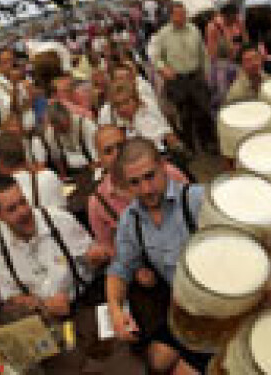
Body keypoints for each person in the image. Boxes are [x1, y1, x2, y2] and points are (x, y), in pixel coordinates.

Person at [106, 138, 206, 374]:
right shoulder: (131, 220)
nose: (146, 190)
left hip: (217, 310)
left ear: (163, 166)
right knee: (155, 361)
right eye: (135, 183)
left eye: (150, 176)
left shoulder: (197, 199)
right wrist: (115, 310)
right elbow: (120, 269)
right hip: (180, 309)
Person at [0, 175, 112, 318]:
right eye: (12, 209)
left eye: (23, 202)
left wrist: (96, 257)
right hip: (42, 316)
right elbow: (12, 297)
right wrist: (43, 306)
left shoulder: (59, 219)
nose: (23, 212)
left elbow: (91, 257)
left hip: (84, 302)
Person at [150, 2, 216, 153]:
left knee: (203, 111)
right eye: (178, 14)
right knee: (184, 116)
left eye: (184, 13)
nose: (182, 16)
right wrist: (162, 68)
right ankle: (190, 147)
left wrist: (207, 73)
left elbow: (203, 53)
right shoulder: (163, 34)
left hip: (195, 77)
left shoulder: (193, 30)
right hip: (177, 80)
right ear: (171, 15)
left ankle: (207, 143)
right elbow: (155, 57)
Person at [0, 132, 66, 210]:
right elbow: (64, 203)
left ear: (0, 161)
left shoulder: (0, 195)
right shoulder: (48, 174)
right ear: (24, 154)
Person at [40, 102, 98, 178]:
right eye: (58, 128)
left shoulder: (86, 125)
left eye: (63, 126)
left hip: (91, 167)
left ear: (68, 115)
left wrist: (95, 175)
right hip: (70, 171)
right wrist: (64, 177)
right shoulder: (50, 133)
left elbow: (97, 156)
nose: (61, 130)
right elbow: (57, 159)